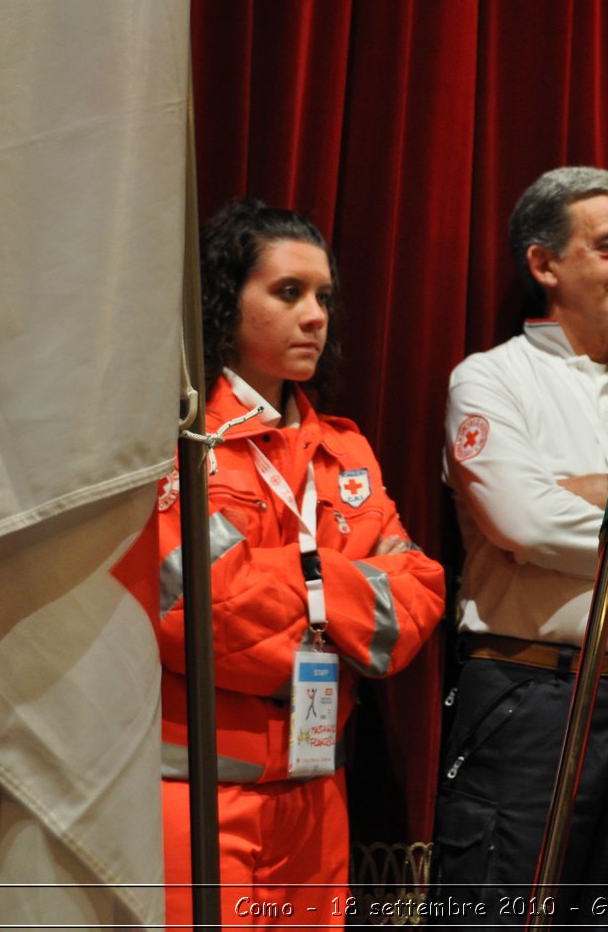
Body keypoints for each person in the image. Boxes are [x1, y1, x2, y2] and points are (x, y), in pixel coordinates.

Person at [117, 199, 445, 926]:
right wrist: (347, 586)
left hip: (315, 785)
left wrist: (290, 586)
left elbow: (418, 596)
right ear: (225, 301)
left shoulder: (347, 451)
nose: (316, 315)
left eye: (324, 296)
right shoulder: (177, 437)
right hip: (191, 789)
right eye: (288, 292)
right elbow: (197, 608)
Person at [433, 166, 608, 923]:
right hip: (533, 696)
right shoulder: (491, 380)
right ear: (544, 264)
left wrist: (590, 490)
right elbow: (525, 524)